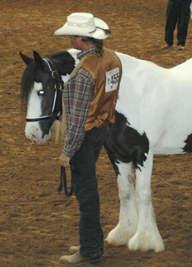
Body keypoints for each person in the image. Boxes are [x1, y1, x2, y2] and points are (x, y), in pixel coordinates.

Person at [54, 12, 122, 265]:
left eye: (72, 34)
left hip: (85, 136)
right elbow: (111, 94)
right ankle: (89, 240)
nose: (70, 38)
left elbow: (77, 119)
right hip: (102, 128)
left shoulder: (82, 74)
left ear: (82, 38)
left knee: (86, 194)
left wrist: (67, 152)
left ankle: (90, 250)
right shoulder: (111, 58)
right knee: (89, 192)